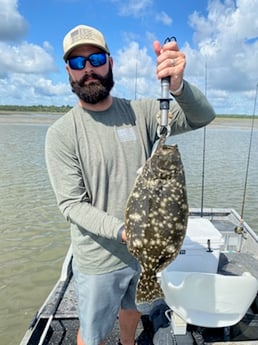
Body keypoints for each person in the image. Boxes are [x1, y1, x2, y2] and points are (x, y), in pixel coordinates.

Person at [45, 24, 215, 345]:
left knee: (132, 309)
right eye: (78, 63)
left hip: (141, 257)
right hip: (98, 259)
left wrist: (179, 87)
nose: (89, 69)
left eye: (95, 58)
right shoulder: (61, 134)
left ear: (110, 62)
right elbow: (71, 205)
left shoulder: (144, 113)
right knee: (92, 332)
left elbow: (202, 116)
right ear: (68, 71)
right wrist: (125, 232)